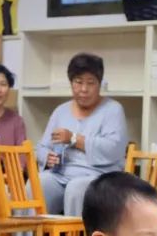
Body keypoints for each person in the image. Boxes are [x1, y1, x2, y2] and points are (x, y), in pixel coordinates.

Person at [35, 53, 128, 217]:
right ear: (71, 83)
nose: (84, 89)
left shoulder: (113, 109)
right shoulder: (61, 111)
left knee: (76, 188)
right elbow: (41, 147)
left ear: (100, 84)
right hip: (61, 175)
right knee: (37, 183)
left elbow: (114, 148)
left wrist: (73, 139)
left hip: (100, 178)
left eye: (90, 83)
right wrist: (47, 157)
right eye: (78, 82)